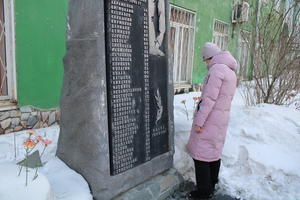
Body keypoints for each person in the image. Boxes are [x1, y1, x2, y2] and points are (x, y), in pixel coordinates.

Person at [186, 42, 238, 200]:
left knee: (200, 154)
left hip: (209, 119)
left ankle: (203, 191)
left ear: (210, 57)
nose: (206, 63)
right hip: (221, 119)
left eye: (205, 60)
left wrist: (199, 122)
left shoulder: (216, 70)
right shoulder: (230, 71)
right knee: (213, 152)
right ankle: (212, 184)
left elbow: (208, 100)